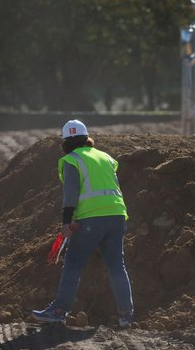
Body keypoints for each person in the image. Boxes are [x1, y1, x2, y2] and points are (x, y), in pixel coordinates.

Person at [32, 120, 134, 327]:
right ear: (87, 138)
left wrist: (66, 223)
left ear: (65, 142)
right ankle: (126, 315)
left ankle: (59, 311)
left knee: (73, 264)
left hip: (91, 219)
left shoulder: (72, 160)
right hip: (117, 215)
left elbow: (70, 195)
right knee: (116, 266)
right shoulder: (105, 157)